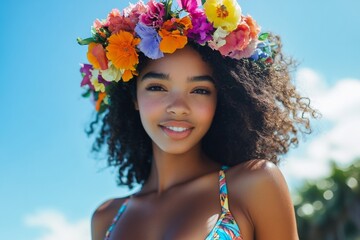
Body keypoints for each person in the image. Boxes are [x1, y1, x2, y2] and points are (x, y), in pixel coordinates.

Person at [77, 0, 317, 239]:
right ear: (134, 98)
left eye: (200, 90)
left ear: (220, 101)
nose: (179, 108)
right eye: (158, 87)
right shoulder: (106, 217)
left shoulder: (254, 184)